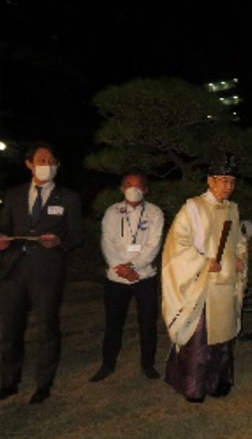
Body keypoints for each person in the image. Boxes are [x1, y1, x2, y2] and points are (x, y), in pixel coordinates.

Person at [0, 141, 84, 404]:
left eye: (51, 161)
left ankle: (43, 383)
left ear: (57, 166)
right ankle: (8, 382)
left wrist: (60, 242)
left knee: (47, 328)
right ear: (29, 164)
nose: (46, 165)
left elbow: (76, 235)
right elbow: (4, 226)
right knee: (11, 330)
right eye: (41, 160)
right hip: (14, 270)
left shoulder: (68, 197)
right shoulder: (13, 195)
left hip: (46, 270)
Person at [160, 154, 247, 403]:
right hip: (203, 284)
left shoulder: (233, 209)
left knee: (223, 338)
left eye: (231, 181)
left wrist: (239, 257)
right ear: (210, 181)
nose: (227, 187)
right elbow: (177, 246)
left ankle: (219, 382)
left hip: (226, 283)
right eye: (222, 181)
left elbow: (238, 241)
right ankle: (193, 386)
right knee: (200, 339)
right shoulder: (193, 207)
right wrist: (204, 262)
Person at [89, 171, 165, 382]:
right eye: (129, 185)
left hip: (145, 276)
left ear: (146, 190)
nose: (134, 189)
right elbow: (107, 243)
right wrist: (120, 268)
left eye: (139, 185)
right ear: (122, 189)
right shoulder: (112, 212)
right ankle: (108, 364)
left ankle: (148, 365)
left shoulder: (154, 212)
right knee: (113, 322)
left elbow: (154, 244)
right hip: (116, 278)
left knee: (148, 322)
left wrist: (133, 266)